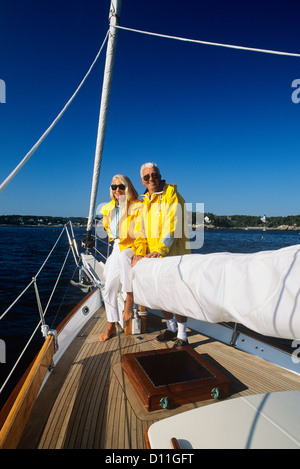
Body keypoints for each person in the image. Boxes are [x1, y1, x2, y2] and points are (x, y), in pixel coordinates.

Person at [140, 162, 191, 347]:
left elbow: (173, 225)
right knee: (162, 295)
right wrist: (141, 252)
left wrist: (160, 250)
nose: (151, 179)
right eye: (147, 177)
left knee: (177, 296)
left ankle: (183, 336)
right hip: (154, 257)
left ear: (160, 176)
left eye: (154, 175)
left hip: (173, 254)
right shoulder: (144, 200)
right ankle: (171, 329)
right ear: (142, 181)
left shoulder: (171, 195)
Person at [99, 174, 146, 342]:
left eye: (121, 186)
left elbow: (142, 232)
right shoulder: (109, 207)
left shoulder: (138, 206)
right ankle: (111, 326)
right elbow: (109, 229)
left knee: (125, 256)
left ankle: (130, 299)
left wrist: (139, 251)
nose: (117, 190)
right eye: (114, 187)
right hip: (117, 246)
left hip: (131, 245)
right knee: (108, 288)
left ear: (128, 187)